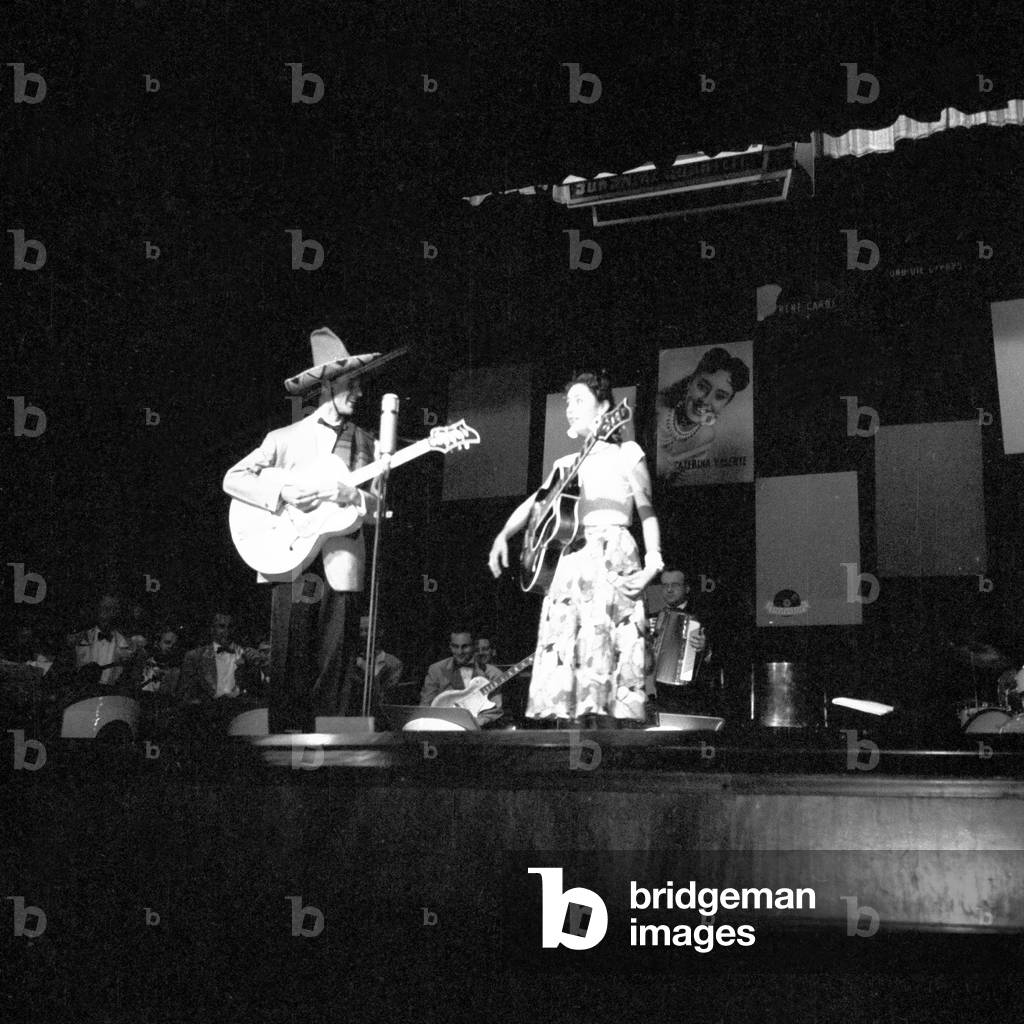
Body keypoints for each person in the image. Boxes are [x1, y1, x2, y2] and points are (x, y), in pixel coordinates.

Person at [223, 327, 398, 729]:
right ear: (327, 386)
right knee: (290, 655)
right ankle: (285, 746)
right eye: (351, 385)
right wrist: (283, 491)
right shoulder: (285, 439)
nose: (358, 393)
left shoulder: (364, 443)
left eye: (359, 385)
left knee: (335, 660)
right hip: (289, 555)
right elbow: (233, 480)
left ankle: (331, 749)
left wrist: (352, 497)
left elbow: (381, 507)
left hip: (341, 558)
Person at [488, 370, 663, 726]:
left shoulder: (626, 452)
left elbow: (646, 508)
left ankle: (614, 765)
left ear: (604, 409)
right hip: (571, 566)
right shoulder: (564, 464)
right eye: (567, 401)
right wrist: (502, 535)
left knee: (610, 676)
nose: (570, 408)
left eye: (579, 400)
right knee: (572, 676)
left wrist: (652, 565)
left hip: (613, 558)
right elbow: (534, 504)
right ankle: (576, 766)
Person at [656, 346, 750, 474]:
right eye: (702, 387)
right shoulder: (660, 412)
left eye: (720, 396)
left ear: (726, 403)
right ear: (690, 382)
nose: (706, 401)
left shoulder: (706, 436)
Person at [648, 568, 712, 714]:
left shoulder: (702, 615)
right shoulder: (654, 617)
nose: (669, 590)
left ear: (687, 588)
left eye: (675, 585)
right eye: (665, 585)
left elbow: (724, 651)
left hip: (693, 696)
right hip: (661, 694)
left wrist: (706, 648)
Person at [419, 628, 503, 727]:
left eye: (465, 647)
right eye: (455, 646)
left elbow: (494, 710)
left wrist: (473, 723)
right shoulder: (436, 670)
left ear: (474, 646)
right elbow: (425, 706)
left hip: (480, 732)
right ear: (450, 646)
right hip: (442, 730)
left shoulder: (493, 674)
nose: (459, 652)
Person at [67, 594, 134, 689]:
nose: (109, 615)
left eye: (114, 610)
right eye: (105, 609)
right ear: (97, 610)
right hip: (81, 695)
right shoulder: (80, 639)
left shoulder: (127, 644)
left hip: (111, 696)